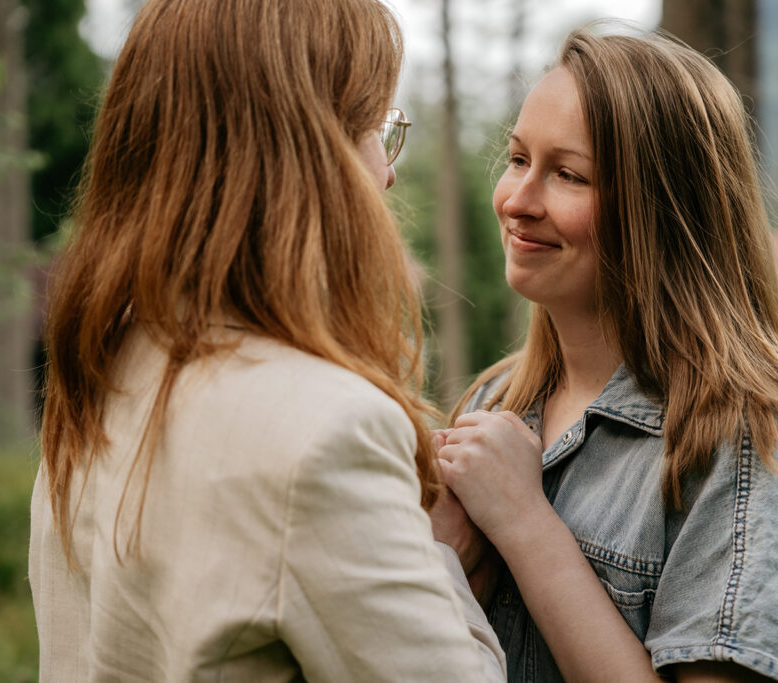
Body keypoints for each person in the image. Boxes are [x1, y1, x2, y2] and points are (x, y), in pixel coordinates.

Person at [28, 0, 506, 680]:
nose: (388, 171)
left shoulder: (100, 374)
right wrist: (441, 557)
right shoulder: (325, 430)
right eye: (373, 129)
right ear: (310, 156)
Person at [433, 27, 778, 683]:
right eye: (519, 159)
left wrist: (525, 526)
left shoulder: (747, 444)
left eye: (568, 175)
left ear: (664, 210)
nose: (517, 201)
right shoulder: (494, 406)